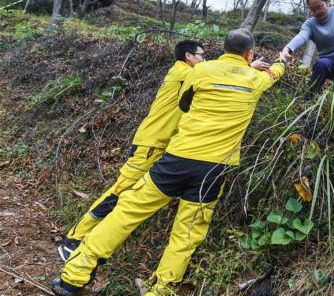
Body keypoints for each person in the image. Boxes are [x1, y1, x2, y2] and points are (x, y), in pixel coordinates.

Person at [51, 29, 287, 296]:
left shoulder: (200, 71)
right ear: (250, 54)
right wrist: (281, 60)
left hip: (177, 158)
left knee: (127, 211)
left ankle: (74, 275)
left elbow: (185, 103)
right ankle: (161, 290)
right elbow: (274, 74)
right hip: (213, 169)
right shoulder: (255, 79)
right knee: (187, 233)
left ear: (223, 49)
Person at [57, 40, 205, 261]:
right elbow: (214, 75)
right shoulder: (182, 72)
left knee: (129, 194)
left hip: (159, 145)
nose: (205, 59)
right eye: (202, 55)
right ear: (188, 56)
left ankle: (89, 239)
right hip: (150, 144)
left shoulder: (186, 74)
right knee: (120, 190)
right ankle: (74, 239)